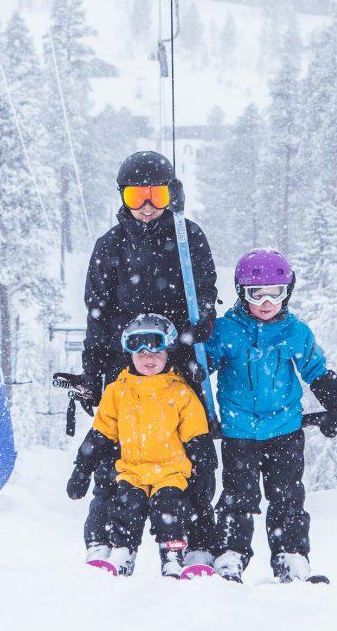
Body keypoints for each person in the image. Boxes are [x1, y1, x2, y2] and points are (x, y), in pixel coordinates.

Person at [73, 151, 219, 567]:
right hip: (127, 366)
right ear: (124, 198)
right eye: (137, 196)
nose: (147, 207)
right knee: (117, 453)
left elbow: (205, 294)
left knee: (191, 454)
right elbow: (97, 313)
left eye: (156, 195)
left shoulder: (188, 237)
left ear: (171, 194)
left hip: (178, 363)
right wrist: (93, 371)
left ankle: (195, 543)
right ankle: (107, 540)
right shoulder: (111, 245)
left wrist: (194, 331)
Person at [204, 248, 337, 583]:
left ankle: (290, 556)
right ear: (241, 293)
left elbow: (314, 368)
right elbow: (204, 366)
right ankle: (230, 554)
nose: (267, 303)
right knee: (239, 497)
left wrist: (332, 401)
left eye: (275, 294)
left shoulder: (295, 332)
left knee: (287, 498)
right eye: (257, 294)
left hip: (285, 430)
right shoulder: (226, 331)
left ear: (288, 293)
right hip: (240, 431)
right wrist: (197, 360)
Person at [66, 314, 214, 578]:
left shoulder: (180, 391)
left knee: (171, 510)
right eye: (141, 352)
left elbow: (196, 436)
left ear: (168, 352)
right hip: (132, 471)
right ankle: (122, 552)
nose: (149, 359)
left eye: (157, 353)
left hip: (170, 471)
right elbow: (101, 433)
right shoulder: (117, 391)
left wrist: (204, 471)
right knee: (124, 507)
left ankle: (172, 555)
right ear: (129, 353)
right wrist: (82, 469)